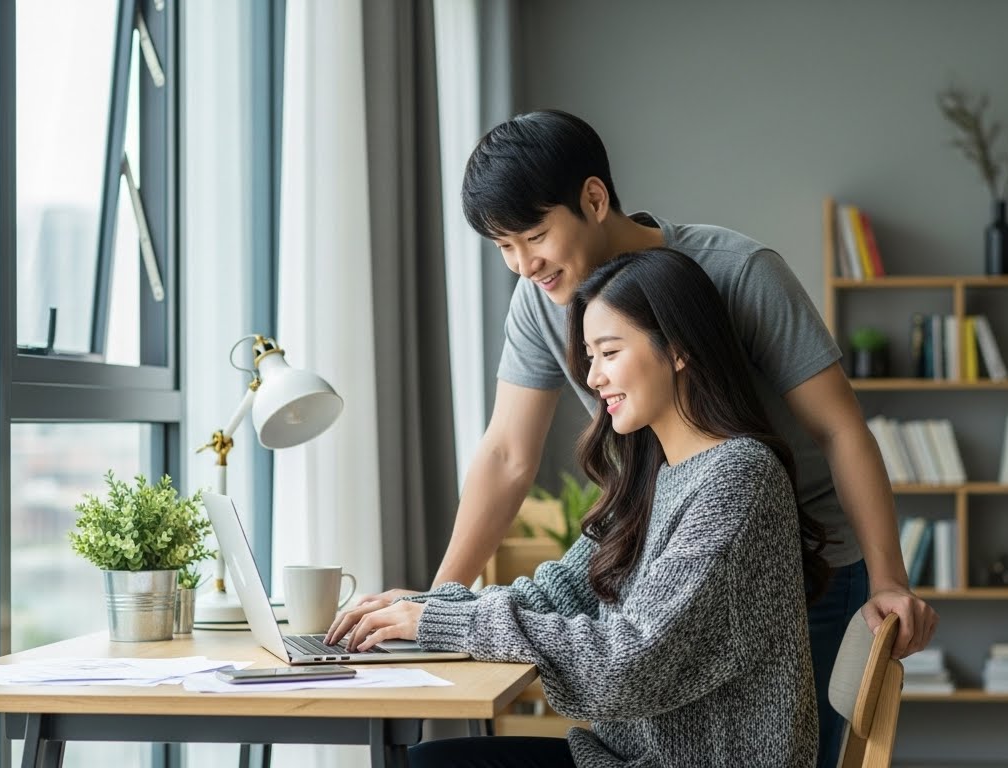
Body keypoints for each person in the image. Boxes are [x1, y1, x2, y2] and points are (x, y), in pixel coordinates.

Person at [330, 109, 937, 767]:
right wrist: (435, 609)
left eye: (533, 236)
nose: (522, 265)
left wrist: (888, 578)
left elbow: (838, 427)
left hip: (802, 549)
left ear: (592, 199)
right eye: (502, 247)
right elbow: (506, 454)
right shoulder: (550, 310)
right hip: (672, 536)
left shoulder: (738, 273)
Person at [340, 248, 826, 767]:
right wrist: (431, 607)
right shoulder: (652, 476)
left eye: (609, 353)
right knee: (428, 759)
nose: (593, 379)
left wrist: (443, 623)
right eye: (590, 357)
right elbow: (561, 591)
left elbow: (627, 663)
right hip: (621, 756)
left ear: (679, 348)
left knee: (429, 764)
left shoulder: (737, 478)